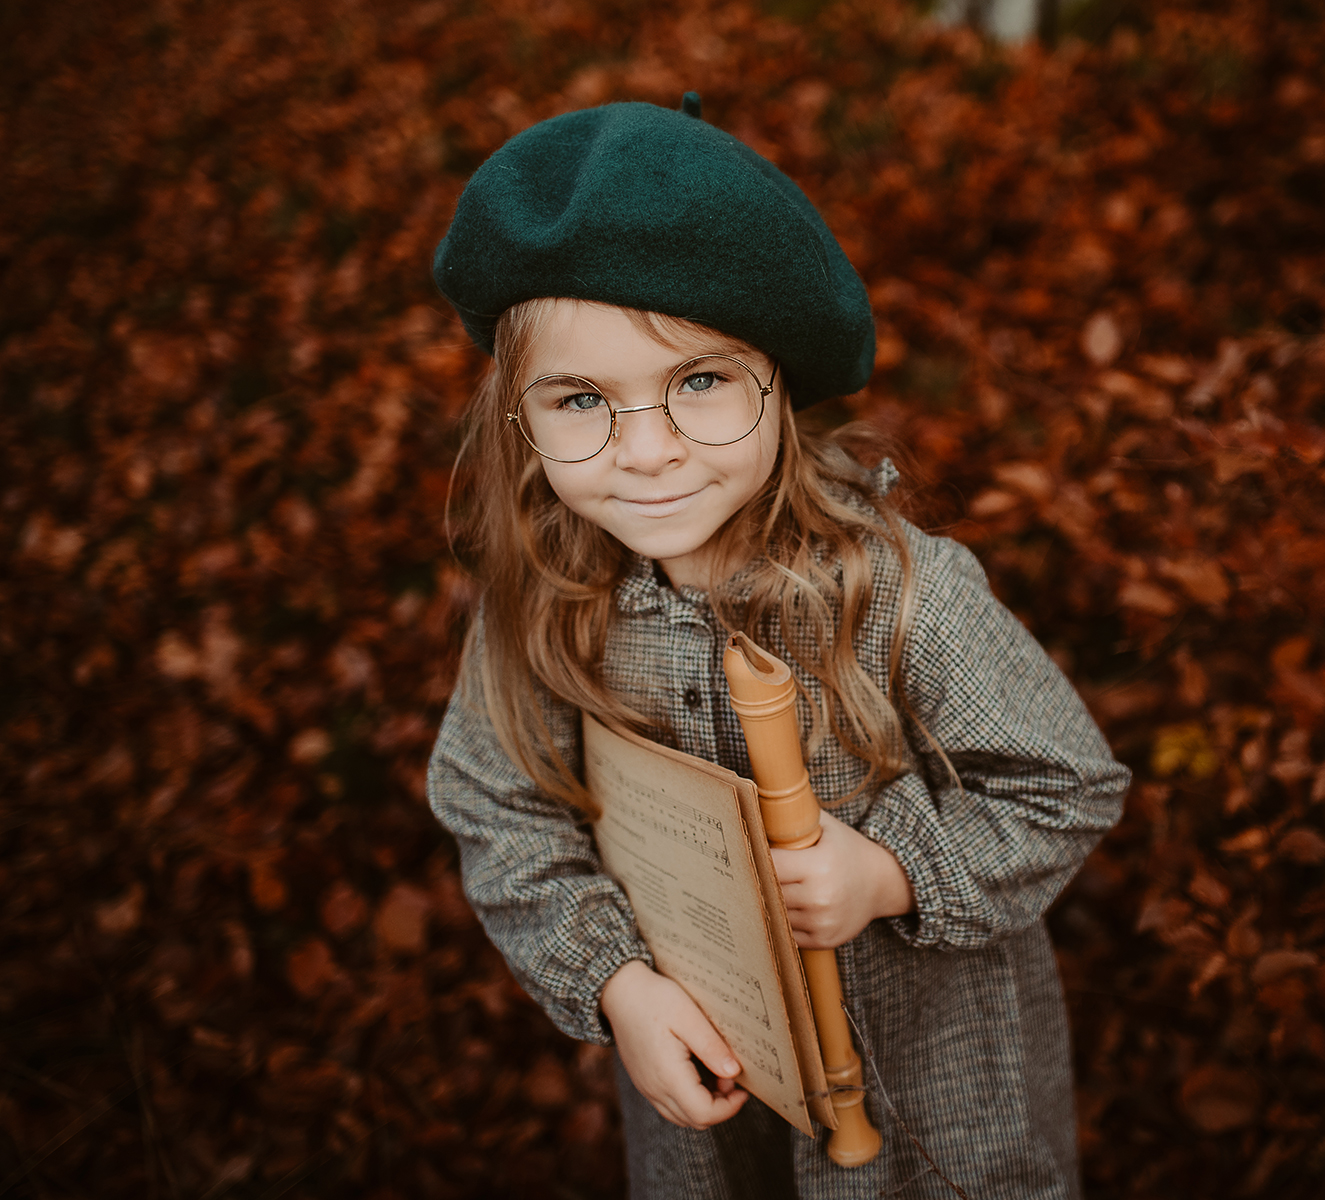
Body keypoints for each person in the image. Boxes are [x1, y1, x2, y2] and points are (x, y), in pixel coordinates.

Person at [426, 92, 1129, 1199]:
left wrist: (890, 874)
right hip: (713, 1099)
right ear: (518, 414)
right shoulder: (542, 607)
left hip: (928, 1107)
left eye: (699, 383)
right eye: (580, 399)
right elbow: (494, 806)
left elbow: (1066, 786)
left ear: (781, 386)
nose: (645, 452)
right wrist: (615, 983)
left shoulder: (896, 594)